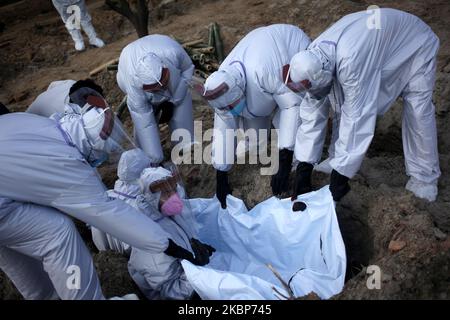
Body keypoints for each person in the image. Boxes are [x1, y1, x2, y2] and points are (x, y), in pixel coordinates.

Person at [0, 96, 198, 299]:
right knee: (58, 233)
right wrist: (166, 244)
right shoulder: (66, 162)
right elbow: (108, 213)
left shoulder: (47, 126)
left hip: (4, 199)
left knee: (13, 249)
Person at [286, 8, 441, 202]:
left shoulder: (349, 60)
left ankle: (424, 178)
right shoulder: (312, 58)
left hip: (415, 42)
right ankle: (336, 158)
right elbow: (312, 112)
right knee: (341, 98)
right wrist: (304, 165)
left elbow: (357, 115)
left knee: (418, 108)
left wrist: (341, 176)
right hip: (379, 44)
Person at [197, 24, 311, 208]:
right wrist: (221, 173)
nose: (232, 111)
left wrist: (284, 160)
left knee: (291, 121)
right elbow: (223, 127)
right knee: (254, 138)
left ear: (241, 91)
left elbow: (291, 105)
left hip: (290, 54)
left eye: (233, 106)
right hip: (262, 84)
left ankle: (300, 165)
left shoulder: (263, 69)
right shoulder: (220, 84)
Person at [91, 149, 214, 299]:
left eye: (173, 190)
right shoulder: (148, 235)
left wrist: (194, 245)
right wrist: (198, 280)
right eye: (166, 193)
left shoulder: (163, 212)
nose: (174, 197)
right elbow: (169, 288)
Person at [116, 35, 195, 165]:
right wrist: (155, 158)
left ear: (165, 70)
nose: (160, 89)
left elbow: (187, 69)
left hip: (163, 52)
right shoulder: (132, 85)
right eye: (155, 88)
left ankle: (185, 146)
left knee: (182, 104)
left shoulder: (173, 52)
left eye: (162, 85)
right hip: (126, 69)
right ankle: (148, 158)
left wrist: (175, 99)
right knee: (145, 123)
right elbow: (145, 123)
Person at [26, 79, 104, 117]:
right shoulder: (67, 115)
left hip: (39, 101)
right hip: (32, 122)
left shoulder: (72, 83)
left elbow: (52, 85)